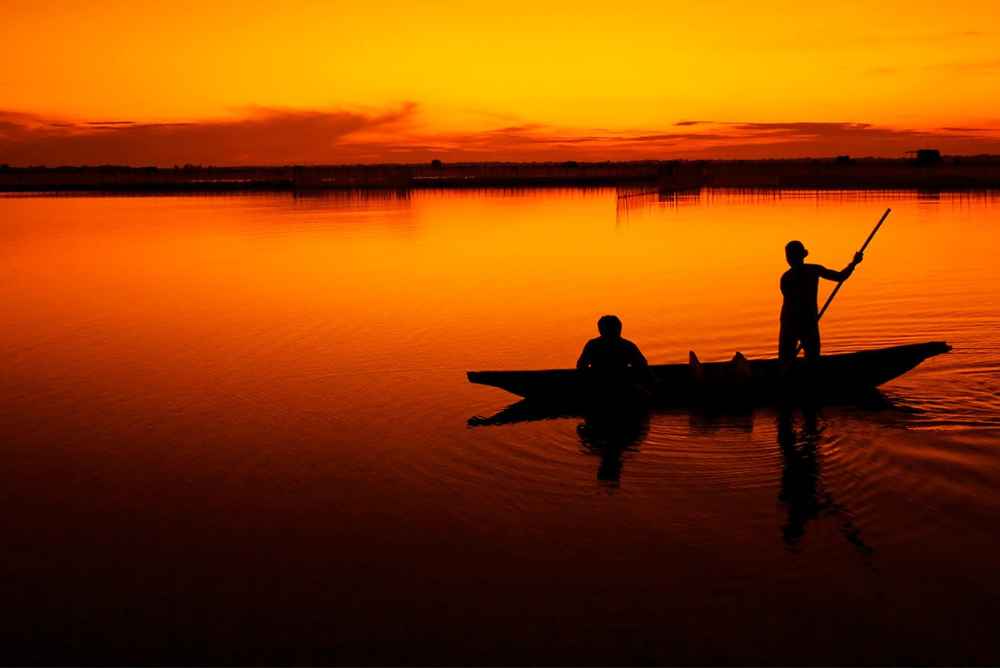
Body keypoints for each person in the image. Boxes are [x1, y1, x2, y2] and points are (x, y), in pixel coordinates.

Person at [779, 240, 863, 363]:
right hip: (801, 321)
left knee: (790, 359)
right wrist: (853, 263)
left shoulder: (788, 276)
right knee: (805, 358)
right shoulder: (810, 271)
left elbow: (839, 277)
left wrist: (853, 263)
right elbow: (840, 277)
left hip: (796, 321)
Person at [577, 315, 648, 372]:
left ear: (600, 330)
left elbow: (581, 365)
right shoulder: (627, 345)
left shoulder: (592, 345)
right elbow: (641, 365)